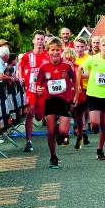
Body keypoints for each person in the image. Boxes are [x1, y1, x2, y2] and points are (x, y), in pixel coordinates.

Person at [74, 34, 105, 160]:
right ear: (99, 46)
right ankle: (94, 129)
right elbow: (79, 69)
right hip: (94, 94)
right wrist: (78, 85)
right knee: (95, 124)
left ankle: (100, 149)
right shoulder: (92, 59)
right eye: (104, 45)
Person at [36, 37, 75, 168]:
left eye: (58, 50)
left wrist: (75, 96)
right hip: (50, 100)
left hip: (64, 100)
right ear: (48, 51)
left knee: (64, 132)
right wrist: (39, 89)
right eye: (52, 50)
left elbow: (75, 81)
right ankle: (53, 156)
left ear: (61, 51)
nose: (55, 52)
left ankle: (61, 133)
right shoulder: (44, 67)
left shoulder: (67, 66)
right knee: (51, 131)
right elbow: (38, 84)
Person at [17, 30, 49, 152]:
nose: (40, 41)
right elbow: (20, 66)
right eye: (38, 39)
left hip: (42, 90)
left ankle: (40, 115)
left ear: (44, 41)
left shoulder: (47, 56)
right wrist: (20, 77)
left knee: (39, 116)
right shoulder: (27, 55)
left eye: (42, 39)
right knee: (29, 114)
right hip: (30, 89)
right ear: (33, 41)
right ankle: (29, 141)